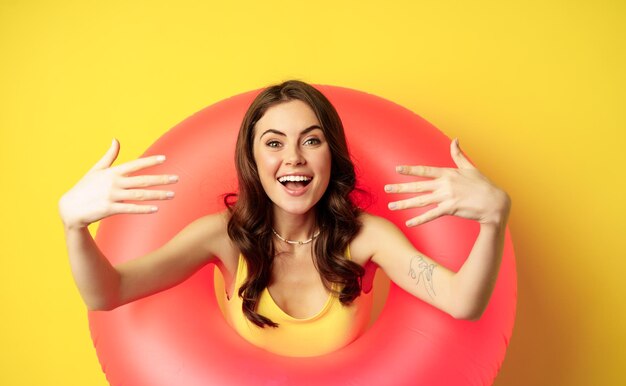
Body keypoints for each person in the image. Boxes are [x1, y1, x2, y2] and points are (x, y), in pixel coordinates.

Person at [59, 80, 511, 356]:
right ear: (252, 159)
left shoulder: (367, 238)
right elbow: (109, 292)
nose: (293, 158)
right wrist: (74, 226)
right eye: (273, 143)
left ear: (331, 154)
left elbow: (462, 302)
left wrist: (494, 220)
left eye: (311, 141)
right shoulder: (223, 237)